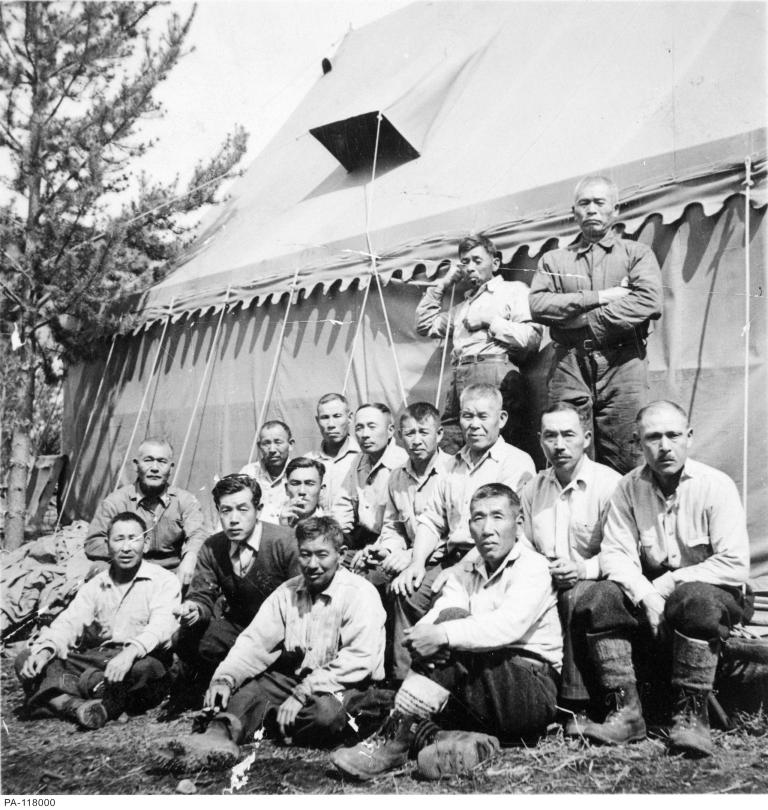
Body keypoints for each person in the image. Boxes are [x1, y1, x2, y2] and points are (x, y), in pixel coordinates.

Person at [331, 484, 562, 781]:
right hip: (479, 682)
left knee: (450, 630)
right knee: (442, 630)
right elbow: (443, 608)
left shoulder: (533, 566)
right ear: (469, 526)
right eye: (478, 518)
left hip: (529, 689)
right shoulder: (467, 569)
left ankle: (397, 742)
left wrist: (441, 635)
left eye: (497, 517)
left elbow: (506, 625)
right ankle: (459, 740)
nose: (487, 528)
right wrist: (423, 633)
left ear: (518, 525)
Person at [572, 400, 750, 757]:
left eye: (673, 435)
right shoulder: (627, 488)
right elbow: (616, 555)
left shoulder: (716, 485)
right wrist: (648, 597)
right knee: (598, 596)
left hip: (715, 596)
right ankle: (626, 713)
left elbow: (734, 564)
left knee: (696, 598)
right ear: (638, 443)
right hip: (654, 593)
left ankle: (691, 717)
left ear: (689, 437)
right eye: (653, 437)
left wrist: (665, 587)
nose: (664, 446)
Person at [157, 516, 387, 771]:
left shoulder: (360, 593)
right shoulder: (288, 591)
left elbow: (359, 660)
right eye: (305, 554)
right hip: (296, 677)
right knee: (249, 692)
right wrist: (226, 677)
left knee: (325, 716)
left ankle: (261, 722)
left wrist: (303, 692)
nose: (312, 564)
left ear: (340, 554)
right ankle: (216, 736)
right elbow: (255, 642)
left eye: (322, 555)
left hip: (347, 684)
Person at [528, 175, 663, 474]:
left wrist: (581, 319)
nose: (591, 209)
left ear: (615, 210)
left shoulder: (636, 254)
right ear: (573, 211)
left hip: (624, 362)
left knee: (628, 454)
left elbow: (649, 302)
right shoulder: (554, 260)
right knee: (566, 450)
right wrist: (601, 297)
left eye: (599, 202)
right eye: (584, 203)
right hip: (569, 364)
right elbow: (538, 305)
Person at [15, 512, 180, 729]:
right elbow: (69, 622)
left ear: (146, 543)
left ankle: (65, 698)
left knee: (146, 670)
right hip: (99, 660)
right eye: (119, 539)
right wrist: (46, 650)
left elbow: (161, 626)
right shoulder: (96, 584)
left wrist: (129, 653)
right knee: (27, 657)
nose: (126, 547)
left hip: (140, 658)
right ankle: (88, 704)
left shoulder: (164, 580)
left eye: (134, 539)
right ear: (108, 545)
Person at [390, 384, 535, 612]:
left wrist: (461, 569)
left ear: (502, 418)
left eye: (483, 416)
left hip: (494, 561)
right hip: (452, 558)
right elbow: (432, 520)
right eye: (467, 416)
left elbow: (506, 530)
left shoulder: (516, 462)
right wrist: (416, 563)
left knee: (450, 606)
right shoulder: (450, 465)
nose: (474, 425)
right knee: (408, 591)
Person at [520, 404, 621, 728]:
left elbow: (624, 552)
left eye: (568, 435)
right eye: (550, 436)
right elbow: (522, 544)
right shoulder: (534, 488)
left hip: (599, 581)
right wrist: (541, 569)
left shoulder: (609, 485)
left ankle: (574, 706)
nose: (559, 445)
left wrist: (581, 569)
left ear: (586, 438)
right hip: (546, 577)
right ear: (540, 440)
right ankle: (528, 699)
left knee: (574, 597)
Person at [170, 474, 300, 708]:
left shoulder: (285, 542)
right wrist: (195, 609)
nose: (233, 519)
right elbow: (202, 594)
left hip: (282, 632)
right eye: (225, 511)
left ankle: (255, 684)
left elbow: (303, 604)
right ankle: (220, 681)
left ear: (258, 509)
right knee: (184, 638)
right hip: (240, 630)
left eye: (242, 509)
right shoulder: (213, 546)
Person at [416, 233, 543, 453]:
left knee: (499, 442)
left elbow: (531, 338)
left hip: (494, 372)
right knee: (452, 440)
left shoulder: (513, 291)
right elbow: (425, 324)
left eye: (477, 260)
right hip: (459, 375)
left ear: (495, 263)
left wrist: (490, 321)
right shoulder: (462, 307)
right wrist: (443, 284)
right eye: (465, 262)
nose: (470, 267)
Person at [85, 437, 207, 585]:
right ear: (136, 465)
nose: (155, 468)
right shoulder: (116, 502)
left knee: (201, 576)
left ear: (171, 468)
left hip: (171, 572)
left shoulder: (184, 500)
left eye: (162, 461)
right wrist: (129, 551)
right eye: (148, 460)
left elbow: (198, 534)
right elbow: (93, 542)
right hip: (127, 569)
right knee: (99, 569)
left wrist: (191, 556)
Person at [331, 403, 408, 554]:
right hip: (360, 537)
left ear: (390, 430)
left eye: (372, 427)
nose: (365, 434)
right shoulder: (359, 459)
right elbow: (343, 505)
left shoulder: (402, 463)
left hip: (391, 544)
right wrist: (333, 539)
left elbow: (398, 527)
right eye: (359, 428)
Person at [306, 393, 360, 512]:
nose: (331, 424)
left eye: (337, 416)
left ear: (350, 417)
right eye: (325, 417)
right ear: (317, 420)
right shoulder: (308, 462)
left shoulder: (362, 458)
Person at [240, 420, 295, 524]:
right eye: (266, 443)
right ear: (259, 446)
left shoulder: (299, 474)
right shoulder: (248, 473)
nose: (272, 449)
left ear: (291, 444)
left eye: (278, 442)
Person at [278, 457, 328, 527]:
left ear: (322, 490)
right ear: (286, 489)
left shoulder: (331, 528)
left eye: (309, 484)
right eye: (295, 483)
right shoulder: (273, 521)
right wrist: (281, 527)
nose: (302, 491)